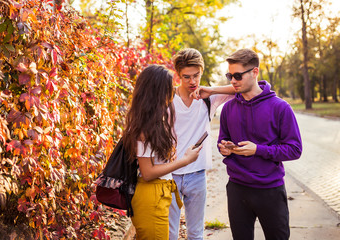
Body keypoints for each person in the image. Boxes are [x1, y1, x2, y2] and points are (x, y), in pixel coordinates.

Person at [217, 48, 302, 240]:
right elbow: (221, 140)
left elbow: (294, 149)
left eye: (237, 75)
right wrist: (225, 148)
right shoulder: (228, 108)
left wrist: (258, 150)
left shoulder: (280, 107)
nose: (232, 81)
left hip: (270, 189)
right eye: (229, 75)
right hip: (237, 188)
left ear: (254, 72)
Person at [122, 64, 203, 240]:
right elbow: (148, 172)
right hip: (151, 196)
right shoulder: (144, 127)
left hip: (160, 193)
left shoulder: (156, 120)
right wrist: (185, 160)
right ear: (158, 92)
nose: (172, 92)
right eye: (169, 88)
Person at [169, 48, 235, 240]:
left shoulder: (209, 99)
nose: (192, 81)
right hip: (170, 175)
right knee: (170, 234)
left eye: (196, 75)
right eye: (186, 76)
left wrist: (211, 90)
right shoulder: (166, 98)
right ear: (178, 75)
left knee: (196, 234)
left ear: (202, 72)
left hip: (197, 175)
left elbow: (246, 87)